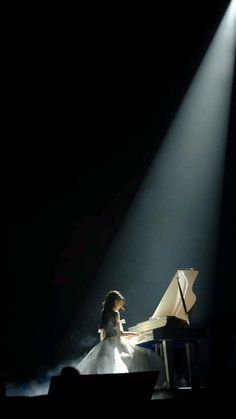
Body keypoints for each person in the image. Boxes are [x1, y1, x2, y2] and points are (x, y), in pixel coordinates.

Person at [75, 290, 165, 385]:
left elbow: (109, 333)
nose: (121, 306)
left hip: (106, 343)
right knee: (144, 355)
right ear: (115, 301)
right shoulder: (115, 313)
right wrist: (131, 333)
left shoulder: (104, 312)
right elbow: (118, 333)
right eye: (120, 303)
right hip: (115, 344)